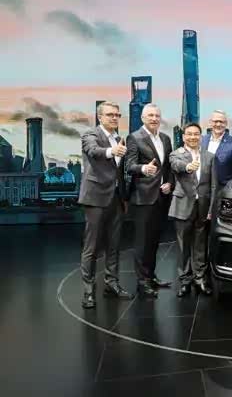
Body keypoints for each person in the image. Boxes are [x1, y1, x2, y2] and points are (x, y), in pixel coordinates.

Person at [78, 101, 133, 308]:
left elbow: (119, 172)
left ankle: (111, 284)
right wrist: (112, 151)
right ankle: (88, 291)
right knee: (91, 247)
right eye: (110, 114)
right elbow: (93, 151)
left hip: (116, 199)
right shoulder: (91, 135)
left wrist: (124, 197)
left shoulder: (119, 139)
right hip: (95, 198)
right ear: (100, 117)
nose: (114, 118)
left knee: (114, 245)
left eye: (117, 115)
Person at [125, 103, 174, 298]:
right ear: (143, 118)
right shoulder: (134, 137)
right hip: (143, 197)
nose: (154, 119)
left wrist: (169, 183)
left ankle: (151, 276)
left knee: (154, 240)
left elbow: (168, 166)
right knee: (142, 242)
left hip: (161, 197)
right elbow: (129, 166)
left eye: (157, 116)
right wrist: (144, 169)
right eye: (150, 115)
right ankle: (142, 282)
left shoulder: (165, 138)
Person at [169, 123, 217, 297]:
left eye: (196, 134)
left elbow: (213, 185)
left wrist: (211, 208)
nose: (193, 137)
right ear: (183, 137)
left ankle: (200, 279)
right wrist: (188, 167)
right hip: (183, 205)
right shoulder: (176, 154)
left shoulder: (210, 156)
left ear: (201, 136)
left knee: (200, 245)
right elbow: (176, 165)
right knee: (183, 246)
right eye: (189, 134)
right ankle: (185, 281)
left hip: (203, 206)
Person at [201, 110, 232, 186]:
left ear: (226, 124)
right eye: (216, 121)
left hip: (222, 188)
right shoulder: (202, 140)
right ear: (210, 122)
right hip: (202, 188)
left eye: (221, 122)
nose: (218, 124)